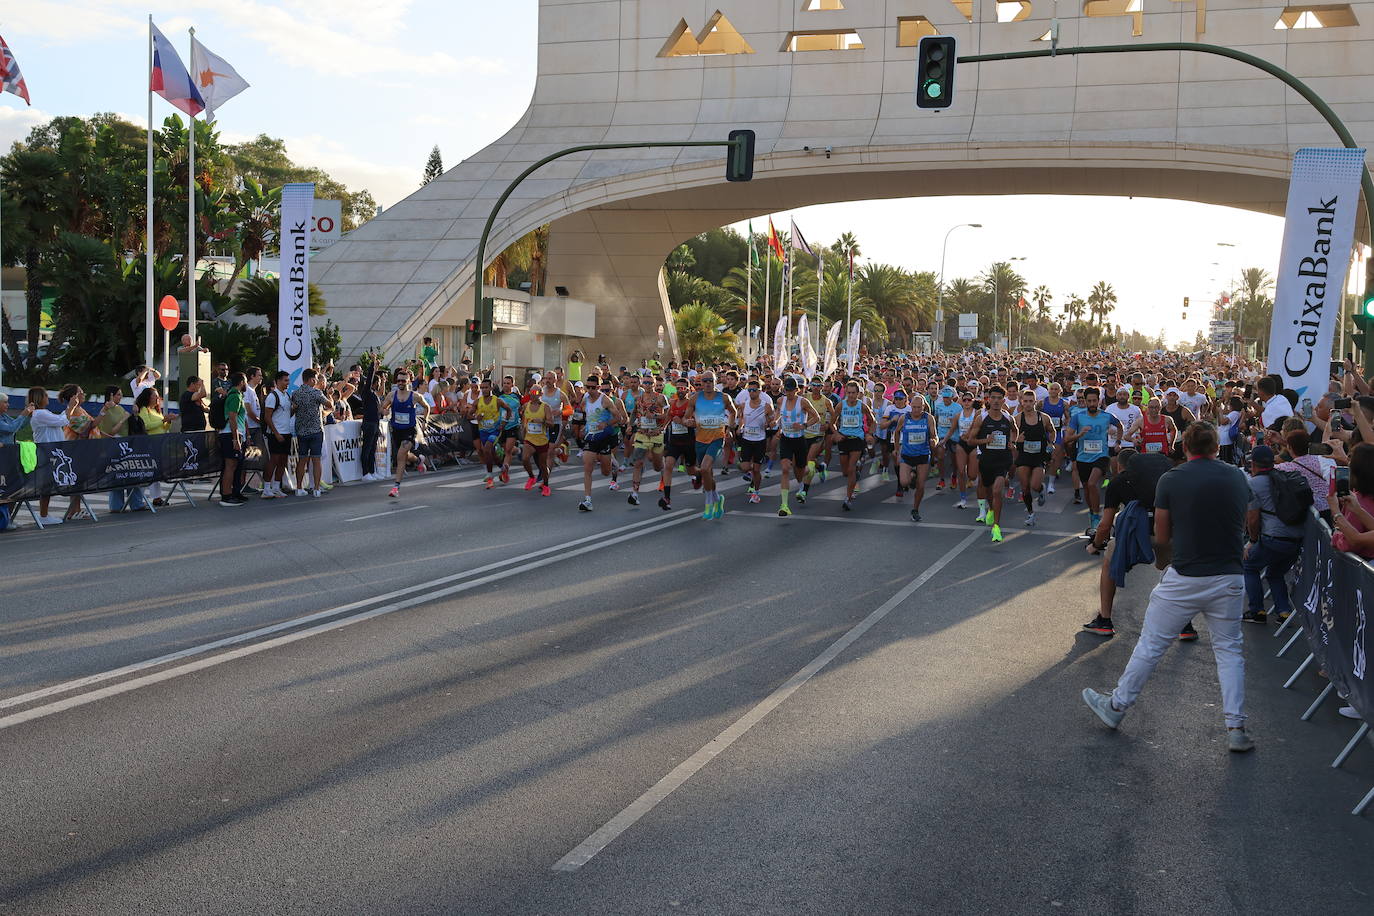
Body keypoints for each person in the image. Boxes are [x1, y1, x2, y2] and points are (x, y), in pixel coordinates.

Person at [1082, 421, 1255, 753]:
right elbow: (1251, 516)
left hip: (1187, 573)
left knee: (1151, 645)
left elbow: (1162, 534)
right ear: (1216, 448)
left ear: (1185, 447)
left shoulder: (1172, 479)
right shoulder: (1236, 476)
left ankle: (1117, 707)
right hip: (1230, 575)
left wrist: (1164, 562)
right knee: (1229, 651)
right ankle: (1236, 726)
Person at [1082, 447, 1176, 637]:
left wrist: (1095, 545)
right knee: (1176, 573)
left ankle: (1105, 620)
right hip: (1166, 533)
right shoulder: (1166, 479)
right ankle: (1185, 625)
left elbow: (1104, 526)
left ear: (1119, 466)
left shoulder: (1118, 482)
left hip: (1134, 535)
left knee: (1109, 563)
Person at [1240, 445, 1304, 624]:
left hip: (1274, 538)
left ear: (1253, 464)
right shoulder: (1283, 477)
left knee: (1249, 565)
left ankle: (1257, 612)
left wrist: (1252, 541)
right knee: (1275, 573)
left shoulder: (1253, 484)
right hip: (1296, 539)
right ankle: (1284, 612)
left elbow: (1252, 518)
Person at [1064, 387, 1121, 535]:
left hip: (1101, 456)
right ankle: (1092, 512)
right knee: (1087, 489)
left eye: (1094, 400)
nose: (1092, 403)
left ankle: (1096, 515)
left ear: (1099, 400)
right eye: (1089, 401)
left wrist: (1118, 441)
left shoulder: (1107, 416)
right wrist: (1079, 435)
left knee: (1091, 483)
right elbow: (1067, 438)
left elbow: (1119, 425)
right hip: (1083, 457)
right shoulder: (1078, 417)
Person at [577, 375, 628, 512]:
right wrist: (584, 426)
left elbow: (619, 417)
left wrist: (606, 423)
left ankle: (613, 464)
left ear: (599, 388)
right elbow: (584, 412)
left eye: (593, 388)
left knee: (605, 472)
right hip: (590, 438)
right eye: (588, 387)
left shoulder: (605, 400)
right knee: (587, 467)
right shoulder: (585, 398)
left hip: (604, 438)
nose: (590, 390)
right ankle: (588, 500)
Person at [775, 376, 821, 517]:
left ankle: (810, 470)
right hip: (786, 439)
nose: (788, 393)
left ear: (797, 390)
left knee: (800, 470)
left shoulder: (803, 402)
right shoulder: (780, 400)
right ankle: (784, 505)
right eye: (786, 390)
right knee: (785, 469)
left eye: (790, 390)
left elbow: (817, 417)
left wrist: (803, 425)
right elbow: (779, 414)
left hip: (799, 439)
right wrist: (775, 422)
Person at [383, 367, 429, 498]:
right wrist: (384, 411)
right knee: (404, 455)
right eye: (399, 381)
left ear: (409, 381)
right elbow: (383, 406)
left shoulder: (415, 396)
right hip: (397, 430)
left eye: (403, 381)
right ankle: (418, 459)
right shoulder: (392, 395)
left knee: (400, 455)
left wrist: (425, 421)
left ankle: (396, 487)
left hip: (409, 430)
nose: (401, 383)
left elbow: (427, 407)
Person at [831, 379, 876, 512]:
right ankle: (855, 473)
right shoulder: (841, 405)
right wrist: (836, 433)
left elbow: (873, 421)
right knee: (845, 471)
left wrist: (869, 434)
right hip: (843, 439)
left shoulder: (862, 406)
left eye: (853, 393)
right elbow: (832, 423)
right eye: (848, 393)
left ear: (858, 394)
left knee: (850, 468)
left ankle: (848, 498)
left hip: (857, 439)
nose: (850, 395)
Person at [1012, 389, 1054, 527]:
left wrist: (1051, 444)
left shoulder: (1044, 418)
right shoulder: (1017, 419)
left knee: (1034, 485)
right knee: (1025, 488)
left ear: (1035, 402)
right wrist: (1018, 439)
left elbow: (1052, 431)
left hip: (1039, 455)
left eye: (1031, 401)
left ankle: (1041, 489)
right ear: (1021, 402)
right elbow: (1011, 438)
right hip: (1024, 455)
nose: (1028, 404)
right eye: (1025, 401)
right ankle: (1031, 514)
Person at [289, 369, 332, 497]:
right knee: (316, 460)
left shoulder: (296, 393)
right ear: (312, 379)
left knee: (302, 460)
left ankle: (299, 488)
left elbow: (292, 410)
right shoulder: (316, 393)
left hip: (301, 432)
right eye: (316, 379)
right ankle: (316, 489)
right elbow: (329, 405)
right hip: (316, 431)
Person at [895, 392, 935, 522]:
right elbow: (896, 432)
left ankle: (915, 509)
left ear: (923, 407)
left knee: (921, 485)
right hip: (907, 454)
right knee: (904, 482)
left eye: (919, 407)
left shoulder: (928, 418)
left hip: (923, 454)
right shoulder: (904, 418)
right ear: (910, 405)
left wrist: (934, 440)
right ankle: (912, 474)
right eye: (914, 407)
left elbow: (934, 435)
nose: (916, 410)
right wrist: (896, 449)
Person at [1332, 442, 1374, 558]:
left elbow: (1353, 541)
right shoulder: (1357, 500)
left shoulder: (1360, 499)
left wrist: (1336, 512)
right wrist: (1357, 510)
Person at [261, 372, 294, 498]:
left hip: (286, 433)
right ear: (278, 381)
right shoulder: (272, 396)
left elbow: (285, 415)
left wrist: (293, 410)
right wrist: (276, 433)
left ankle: (276, 487)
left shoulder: (287, 395)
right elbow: (267, 417)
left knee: (283, 461)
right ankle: (266, 489)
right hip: (275, 434)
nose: (288, 383)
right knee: (273, 460)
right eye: (285, 380)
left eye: (288, 380)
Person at [218, 372, 249, 507]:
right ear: (242, 382)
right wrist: (235, 439)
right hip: (229, 435)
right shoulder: (235, 396)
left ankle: (235, 493)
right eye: (246, 381)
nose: (246, 384)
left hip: (235, 434)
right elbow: (232, 418)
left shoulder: (237, 395)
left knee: (235, 465)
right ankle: (226, 496)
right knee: (230, 466)